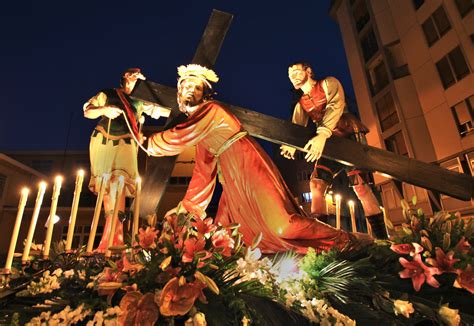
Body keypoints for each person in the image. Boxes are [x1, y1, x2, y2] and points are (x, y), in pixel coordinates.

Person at [147, 64, 369, 254]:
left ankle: (345, 240)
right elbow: (203, 172)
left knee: (284, 226)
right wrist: (188, 208)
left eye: (196, 87)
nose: (189, 90)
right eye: (185, 86)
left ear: (205, 93)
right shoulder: (202, 130)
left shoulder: (211, 110)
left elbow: (178, 135)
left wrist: (146, 142)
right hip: (232, 181)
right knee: (228, 235)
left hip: (249, 164)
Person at [280, 62, 387, 239]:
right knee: (316, 183)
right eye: (290, 75)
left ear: (309, 71)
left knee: (361, 187)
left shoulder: (328, 83)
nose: (294, 77)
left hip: (348, 137)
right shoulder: (301, 103)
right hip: (330, 144)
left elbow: (335, 106)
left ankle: (382, 238)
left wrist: (322, 134)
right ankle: (322, 238)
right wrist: (290, 144)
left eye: (297, 72)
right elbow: (296, 127)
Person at [84, 68, 169, 251]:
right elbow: (88, 111)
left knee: (119, 185)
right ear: (125, 79)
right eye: (133, 79)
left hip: (127, 143)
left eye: (139, 81)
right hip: (105, 139)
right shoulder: (108, 94)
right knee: (107, 185)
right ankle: (108, 234)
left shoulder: (141, 101)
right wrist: (104, 109)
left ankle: (117, 234)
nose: (135, 83)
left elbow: (162, 110)